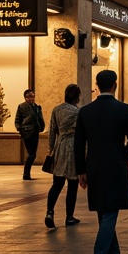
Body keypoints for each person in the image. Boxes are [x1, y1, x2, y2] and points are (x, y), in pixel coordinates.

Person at [74, 69, 128, 254]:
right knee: (110, 213)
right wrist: (123, 157)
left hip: (93, 166)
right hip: (115, 166)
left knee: (104, 212)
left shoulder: (85, 111)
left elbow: (78, 143)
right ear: (115, 85)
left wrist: (81, 170)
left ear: (97, 85)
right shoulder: (123, 109)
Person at [45, 83, 82, 229]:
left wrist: (51, 149)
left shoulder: (56, 110)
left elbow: (52, 131)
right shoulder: (78, 112)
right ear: (77, 97)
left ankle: (49, 212)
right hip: (73, 148)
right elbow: (81, 133)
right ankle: (69, 217)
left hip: (60, 148)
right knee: (72, 185)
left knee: (57, 183)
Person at [14, 88, 45, 180]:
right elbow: (17, 120)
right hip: (27, 132)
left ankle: (27, 174)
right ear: (25, 97)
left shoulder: (36, 106)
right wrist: (20, 130)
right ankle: (26, 174)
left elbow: (40, 118)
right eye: (29, 96)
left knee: (32, 153)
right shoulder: (22, 106)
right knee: (32, 154)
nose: (31, 98)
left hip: (35, 131)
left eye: (32, 96)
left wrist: (41, 127)